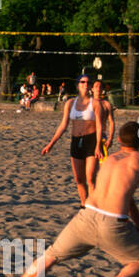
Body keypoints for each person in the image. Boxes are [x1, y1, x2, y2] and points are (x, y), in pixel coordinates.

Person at [13, 122, 139, 277]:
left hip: (86, 217)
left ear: (120, 139)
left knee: (50, 255)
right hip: (113, 224)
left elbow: (127, 199)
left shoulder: (110, 159)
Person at [40, 76, 103, 206]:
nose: (85, 84)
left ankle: (93, 207)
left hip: (91, 141)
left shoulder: (96, 104)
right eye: (82, 82)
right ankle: (84, 205)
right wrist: (51, 143)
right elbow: (63, 125)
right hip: (76, 141)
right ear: (77, 85)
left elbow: (99, 126)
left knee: (90, 178)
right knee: (79, 179)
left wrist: (98, 146)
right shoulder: (70, 103)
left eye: (88, 82)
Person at [91, 79, 115, 160]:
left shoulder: (106, 104)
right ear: (92, 89)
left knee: (102, 163)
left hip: (102, 136)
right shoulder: (88, 103)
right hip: (89, 135)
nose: (98, 88)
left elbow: (111, 122)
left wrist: (110, 138)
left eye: (100, 87)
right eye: (96, 86)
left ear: (103, 89)